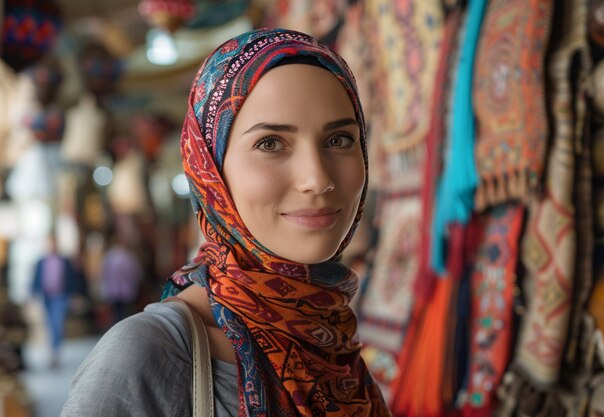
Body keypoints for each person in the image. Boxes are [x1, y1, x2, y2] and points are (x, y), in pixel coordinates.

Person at [63, 28, 391, 416]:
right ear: (210, 169)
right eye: (270, 143)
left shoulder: (330, 336)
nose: (317, 178)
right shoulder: (146, 354)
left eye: (339, 140)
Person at [31, 234, 79, 368]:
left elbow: (72, 278)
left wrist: (74, 295)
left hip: (60, 296)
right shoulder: (41, 261)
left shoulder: (64, 261)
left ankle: (55, 352)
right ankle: (52, 350)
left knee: (58, 322)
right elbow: (36, 279)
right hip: (46, 297)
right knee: (49, 323)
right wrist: (33, 295)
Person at [99, 234, 144, 325]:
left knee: (116, 311)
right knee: (125, 311)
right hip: (126, 288)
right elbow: (135, 271)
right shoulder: (128, 256)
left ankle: (116, 326)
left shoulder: (109, 256)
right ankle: (124, 326)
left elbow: (104, 272)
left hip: (113, 288)